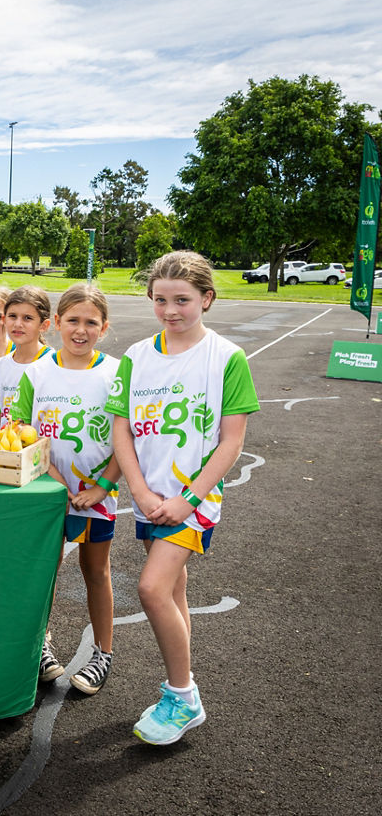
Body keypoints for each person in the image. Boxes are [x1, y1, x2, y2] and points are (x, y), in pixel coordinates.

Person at [106, 251, 259, 745]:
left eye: (182, 300)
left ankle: (182, 695)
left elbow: (230, 442)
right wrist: (138, 489)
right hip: (150, 496)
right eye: (160, 300)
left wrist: (189, 499)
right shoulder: (136, 356)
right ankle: (180, 683)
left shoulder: (226, 357)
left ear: (206, 299)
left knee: (151, 589)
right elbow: (122, 430)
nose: (170, 310)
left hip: (192, 501)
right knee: (173, 591)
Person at [11, 283, 121, 695]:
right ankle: (40, 643)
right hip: (46, 491)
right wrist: (52, 475)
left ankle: (102, 653)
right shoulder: (37, 372)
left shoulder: (116, 373)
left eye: (90, 322)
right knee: (45, 570)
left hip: (96, 494)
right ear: (56, 323)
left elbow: (124, 439)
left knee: (96, 571)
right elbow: (22, 429)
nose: (80, 330)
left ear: (104, 328)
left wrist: (104, 485)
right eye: (72, 320)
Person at [0, 286, 52, 423]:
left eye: (27, 318)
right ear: (4, 320)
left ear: (44, 325)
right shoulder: (0, 367)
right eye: (12, 316)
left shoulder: (53, 364)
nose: (18, 324)